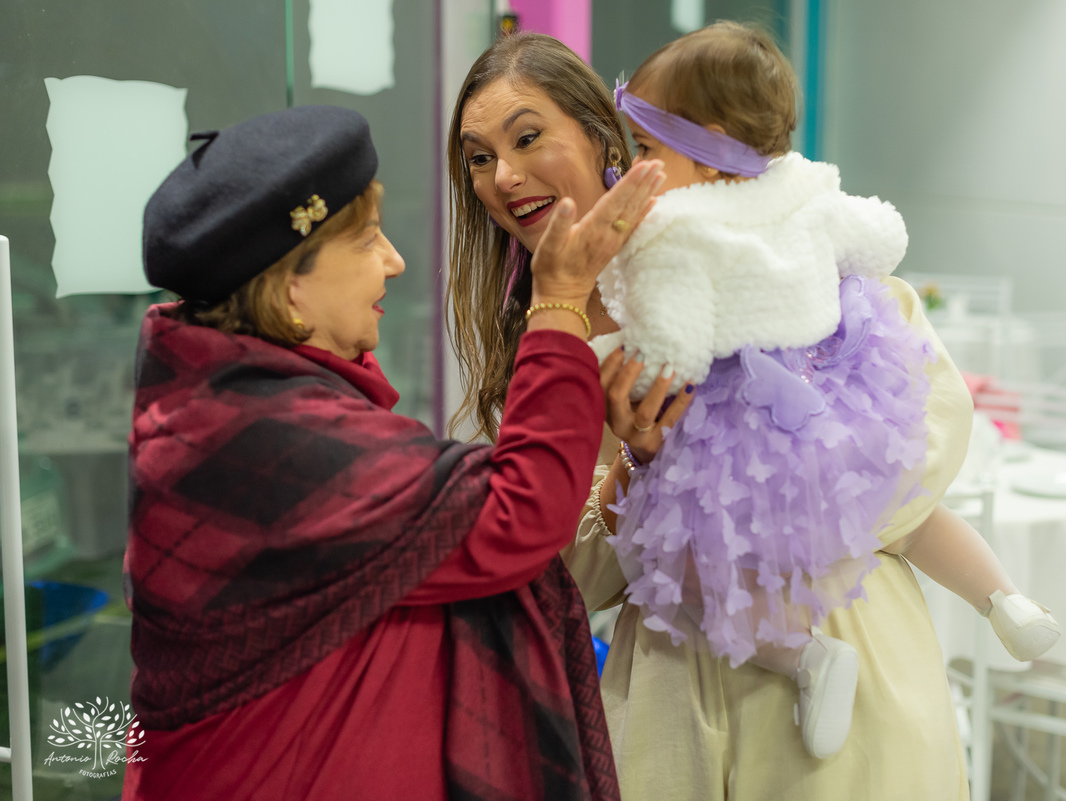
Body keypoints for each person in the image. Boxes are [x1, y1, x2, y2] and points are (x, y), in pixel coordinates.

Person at [444, 30, 1031, 800]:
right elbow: (563, 583)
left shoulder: (791, 264)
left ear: (604, 137)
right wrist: (638, 466)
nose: (504, 176)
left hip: (848, 671)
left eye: (527, 138)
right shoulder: (543, 348)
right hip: (672, 705)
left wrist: (783, 510)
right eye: (479, 158)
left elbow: (931, 433)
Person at [121, 103, 664, 801]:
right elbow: (522, 512)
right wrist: (557, 300)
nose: (396, 261)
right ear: (292, 291)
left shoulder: (223, 401)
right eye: (370, 239)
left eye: (529, 138)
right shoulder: (259, 442)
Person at [587, 21, 1062, 762]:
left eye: (647, 149)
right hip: (830, 400)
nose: (635, 172)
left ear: (706, 147)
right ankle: (1004, 596)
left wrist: (634, 362)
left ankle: (802, 655)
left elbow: (671, 345)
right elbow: (879, 238)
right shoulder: (807, 192)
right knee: (912, 516)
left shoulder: (672, 232)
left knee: (685, 563)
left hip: (733, 433)